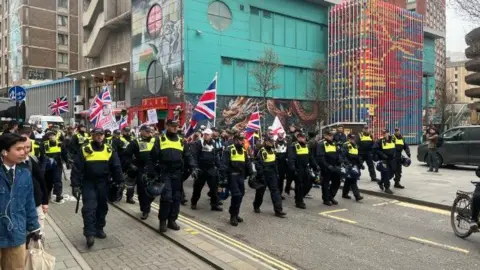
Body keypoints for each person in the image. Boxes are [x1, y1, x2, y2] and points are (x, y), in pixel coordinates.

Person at [71, 128, 123, 248]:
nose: (99, 137)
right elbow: (76, 169)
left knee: (102, 208)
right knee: (89, 209)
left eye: (101, 135)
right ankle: (89, 234)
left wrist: (120, 181)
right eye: (97, 135)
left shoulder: (109, 150)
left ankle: (99, 229)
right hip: (88, 183)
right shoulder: (85, 149)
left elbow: (116, 167)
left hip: (104, 184)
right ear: (92, 136)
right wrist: (75, 185)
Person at [0, 133, 41, 269]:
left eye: (25, 148)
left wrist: (34, 226)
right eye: (18, 149)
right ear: (4, 152)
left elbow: (29, 202)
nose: (24, 152)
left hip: (16, 233)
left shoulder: (24, 173)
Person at [149, 119, 197, 232]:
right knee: (166, 198)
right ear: (167, 126)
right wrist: (152, 173)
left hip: (177, 173)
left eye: (177, 126)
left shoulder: (181, 141)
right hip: (165, 173)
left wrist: (193, 167)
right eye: (172, 125)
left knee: (176, 198)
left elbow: (188, 156)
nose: (175, 128)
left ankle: (172, 220)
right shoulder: (160, 139)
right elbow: (152, 157)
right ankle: (162, 221)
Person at [220, 132, 253, 226]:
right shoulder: (229, 149)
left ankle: (235, 213)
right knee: (236, 195)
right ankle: (233, 216)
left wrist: (252, 173)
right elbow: (224, 164)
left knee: (241, 194)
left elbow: (247, 163)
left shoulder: (243, 150)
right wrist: (224, 178)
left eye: (243, 140)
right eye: (240, 139)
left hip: (241, 177)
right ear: (235, 140)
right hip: (232, 176)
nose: (242, 141)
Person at [19, 133, 49, 238]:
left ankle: (39, 253)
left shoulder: (32, 161)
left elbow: (42, 181)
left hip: (36, 203)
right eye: (22, 147)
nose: (25, 150)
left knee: (39, 235)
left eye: (28, 147)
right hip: (20, 206)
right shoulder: (12, 163)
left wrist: (45, 201)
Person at [123, 125, 156, 217]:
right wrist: (130, 164)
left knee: (154, 191)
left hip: (153, 169)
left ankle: (147, 204)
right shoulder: (135, 142)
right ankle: (145, 210)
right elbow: (126, 155)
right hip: (141, 169)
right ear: (141, 131)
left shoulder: (155, 141)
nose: (149, 132)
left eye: (150, 131)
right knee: (142, 191)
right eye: (146, 131)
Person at [253, 137, 286, 217]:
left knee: (275, 192)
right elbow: (257, 163)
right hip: (263, 175)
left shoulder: (273, 151)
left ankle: (278, 210)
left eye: (272, 142)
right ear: (265, 142)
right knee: (260, 193)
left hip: (272, 175)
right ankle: (256, 206)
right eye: (269, 142)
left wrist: (276, 173)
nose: (271, 143)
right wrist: (260, 174)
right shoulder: (261, 151)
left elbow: (275, 163)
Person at [190, 128, 223, 211]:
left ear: (211, 136)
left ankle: (214, 204)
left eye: (207, 134)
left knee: (214, 188)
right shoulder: (197, 143)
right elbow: (194, 156)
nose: (205, 136)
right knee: (197, 188)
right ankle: (194, 202)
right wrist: (195, 167)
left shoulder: (214, 143)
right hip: (200, 169)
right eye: (204, 134)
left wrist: (220, 167)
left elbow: (215, 157)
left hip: (211, 169)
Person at [288, 131, 317, 209]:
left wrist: (316, 166)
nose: (302, 138)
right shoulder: (294, 146)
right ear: (297, 138)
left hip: (306, 168)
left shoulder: (306, 146)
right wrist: (293, 169)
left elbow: (311, 158)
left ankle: (299, 196)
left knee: (309, 184)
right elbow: (291, 158)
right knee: (299, 186)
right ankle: (299, 202)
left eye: (303, 137)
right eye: (300, 137)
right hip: (298, 169)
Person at [316, 130, 343, 206]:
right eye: (329, 135)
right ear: (325, 136)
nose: (331, 137)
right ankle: (326, 199)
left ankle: (331, 196)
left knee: (337, 182)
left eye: (332, 135)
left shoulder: (334, 144)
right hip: (326, 167)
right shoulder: (321, 144)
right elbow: (321, 157)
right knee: (326, 183)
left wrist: (340, 162)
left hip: (335, 167)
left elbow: (338, 155)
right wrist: (327, 166)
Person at [44, 131, 68, 202]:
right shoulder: (44, 144)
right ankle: (47, 194)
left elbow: (64, 154)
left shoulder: (60, 144)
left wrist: (67, 162)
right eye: (50, 135)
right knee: (48, 181)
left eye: (53, 135)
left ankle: (58, 195)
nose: (52, 137)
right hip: (48, 166)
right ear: (48, 137)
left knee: (57, 180)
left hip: (58, 165)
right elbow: (42, 154)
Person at [373, 129, 397, 194]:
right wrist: (382, 155)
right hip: (384, 160)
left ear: (388, 133)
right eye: (383, 133)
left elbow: (396, 147)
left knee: (391, 174)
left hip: (391, 159)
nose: (385, 134)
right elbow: (375, 149)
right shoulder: (380, 141)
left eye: (386, 133)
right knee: (386, 173)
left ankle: (380, 182)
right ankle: (387, 188)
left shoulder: (393, 139)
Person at [342, 134, 364, 201]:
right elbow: (343, 156)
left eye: (353, 138)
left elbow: (358, 156)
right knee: (353, 180)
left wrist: (361, 164)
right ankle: (357, 195)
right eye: (351, 138)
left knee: (348, 180)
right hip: (349, 165)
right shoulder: (345, 145)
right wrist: (347, 163)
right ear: (348, 139)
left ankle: (344, 194)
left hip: (355, 165)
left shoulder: (356, 146)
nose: (353, 140)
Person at [274, 130, 289, 199]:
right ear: (277, 134)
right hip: (276, 164)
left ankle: (280, 193)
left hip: (283, 164)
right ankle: (276, 194)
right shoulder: (274, 143)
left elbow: (288, 152)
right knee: (277, 180)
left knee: (281, 180)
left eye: (283, 133)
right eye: (280, 133)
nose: (282, 135)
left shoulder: (286, 142)